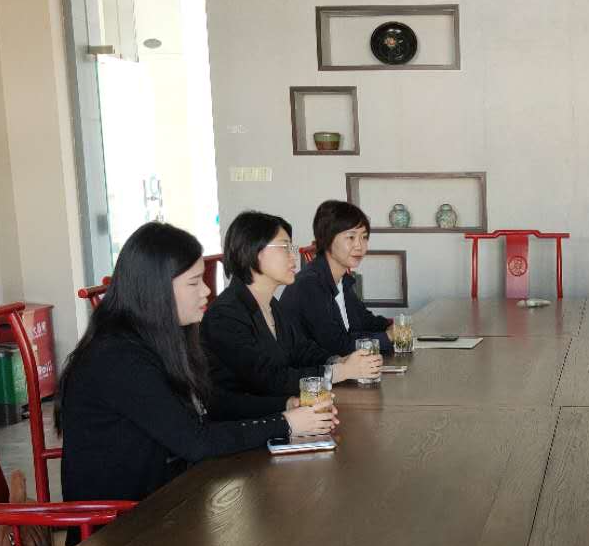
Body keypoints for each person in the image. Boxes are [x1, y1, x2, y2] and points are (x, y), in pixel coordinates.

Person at [60, 222, 335, 511]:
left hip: (172, 497)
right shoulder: (118, 357)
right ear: (155, 289)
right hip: (123, 523)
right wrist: (286, 423)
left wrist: (286, 406)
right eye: (193, 283)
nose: (206, 290)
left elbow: (212, 408)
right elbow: (195, 441)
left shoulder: (163, 338)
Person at [202, 210, 380, 402]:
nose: (293, 257)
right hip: (250, 417)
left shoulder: (271, 304)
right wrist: (340, 371)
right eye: (284, 247)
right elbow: (270, 379)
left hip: (287, 410)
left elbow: (302, 350)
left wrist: (338, 360)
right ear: (254, 250)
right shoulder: (225, 314)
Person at [282, 200, 394, 358]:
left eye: (364, 237)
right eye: (351, 237)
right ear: (327, 239)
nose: (359, 246)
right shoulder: (309, 284)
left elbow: (365, 320)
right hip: (315, 372)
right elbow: (337, 346)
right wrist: (388, 337)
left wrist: (395, 325)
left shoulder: (342, 279)